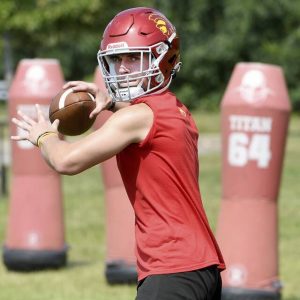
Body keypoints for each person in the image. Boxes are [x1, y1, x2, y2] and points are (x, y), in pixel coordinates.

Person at [11, 7, 225, 300]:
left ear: (165, 58)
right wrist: (112, 104)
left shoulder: (136, 117)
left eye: (134, 57)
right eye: (117, 59)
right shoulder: (176, 108)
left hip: (171, 270)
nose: (123, 68)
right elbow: (146, 121)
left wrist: (44, 136)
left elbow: (66, 160)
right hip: (202, 268)